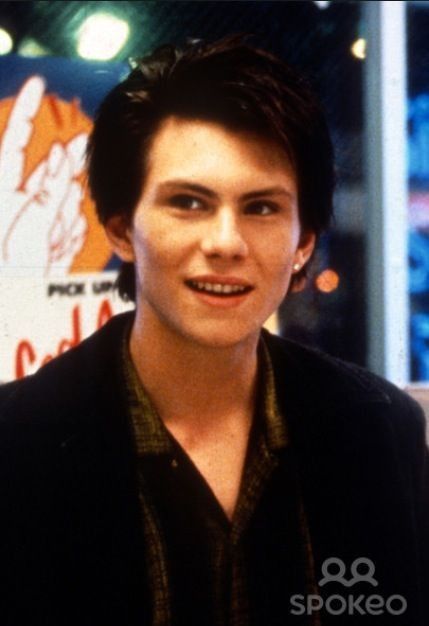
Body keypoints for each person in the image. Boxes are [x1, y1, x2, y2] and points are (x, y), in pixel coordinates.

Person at [0, 35, 427, 626]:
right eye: (189, 202)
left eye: (261, 208)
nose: (225, 243)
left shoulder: (379, 430)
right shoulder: (20, 442)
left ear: (304, 242)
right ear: (121, 229)